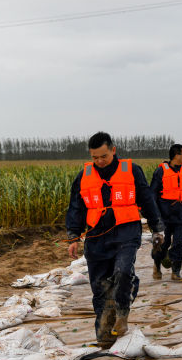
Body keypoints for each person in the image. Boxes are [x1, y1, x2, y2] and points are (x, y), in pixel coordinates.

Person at [65, 132, 164, 347]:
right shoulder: (84, 175)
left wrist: (157, 228)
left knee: (123, 271)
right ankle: (105, 336)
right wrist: (73, 236)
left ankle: (122, 311)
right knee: (100, 287)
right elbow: (76, 207)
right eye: (95, 157)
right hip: (96, 236)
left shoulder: (132, 171)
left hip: (126, 231)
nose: (99, 161)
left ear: (113, 150)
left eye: (103, 156)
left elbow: (147, 200)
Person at [149, 143, 182, 282]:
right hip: (164, 213)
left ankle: (176, 272)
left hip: (180, 212)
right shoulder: (161, 171)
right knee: (162, 243)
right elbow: (152, 194)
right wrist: (155, 215)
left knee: (179, 243)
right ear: (177, 155)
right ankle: (157, 265)